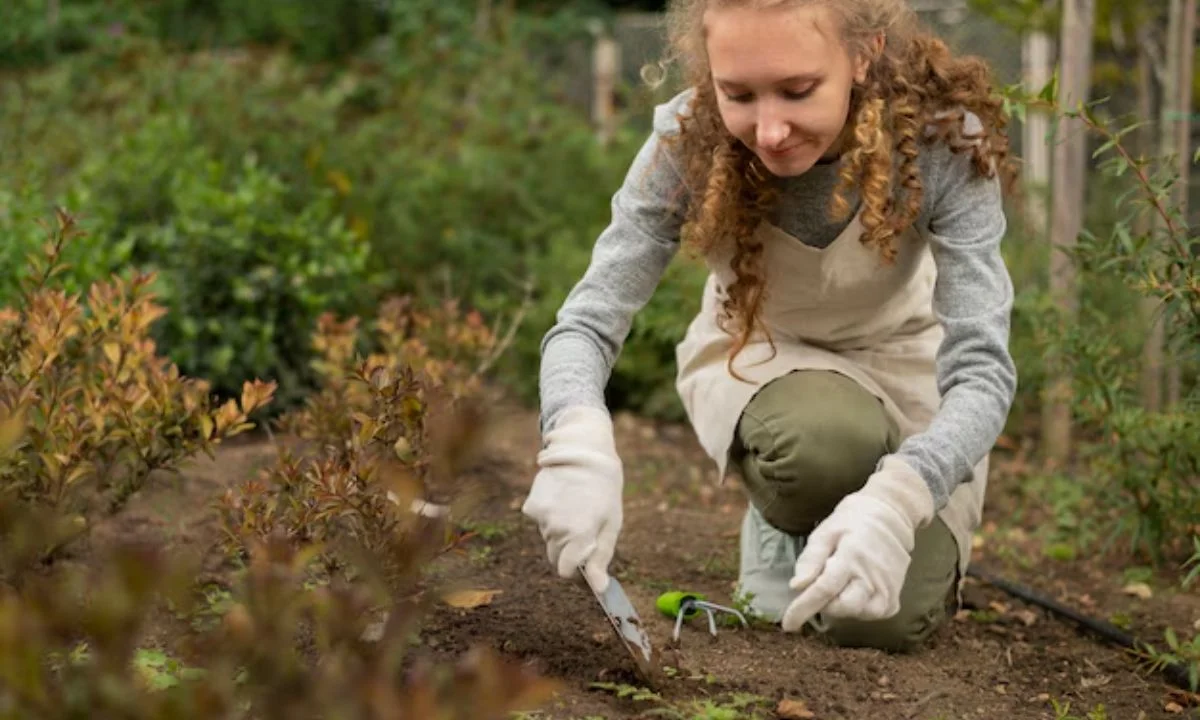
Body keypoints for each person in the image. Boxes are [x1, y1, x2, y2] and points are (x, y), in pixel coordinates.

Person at [521, 0, 1017, 653]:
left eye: (798, 90)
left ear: (862, 53)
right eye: (739, 94)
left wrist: (902, 497)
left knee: (878, 622)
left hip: (906, 365)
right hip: (766, 357)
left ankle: (856, 517)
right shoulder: (685, 139)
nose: (771, 129)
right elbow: (586, 321)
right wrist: (575, 435)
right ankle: (789, 521)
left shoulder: (942, 142)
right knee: (822, 442)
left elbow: (983, 371)